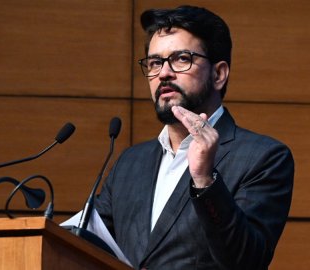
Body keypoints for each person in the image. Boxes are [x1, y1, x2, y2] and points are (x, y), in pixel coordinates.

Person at [94, 5, 294, 270]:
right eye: (155, 62)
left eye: (181, 59)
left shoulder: (264, 158)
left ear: (218, 74)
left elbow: (247, 261)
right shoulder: (130, 162)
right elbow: (87, 242)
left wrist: (204, 180)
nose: (163, 73)